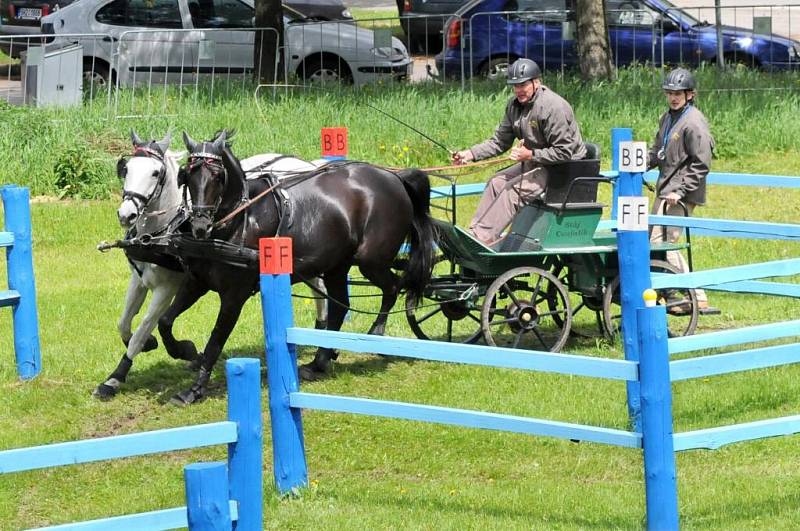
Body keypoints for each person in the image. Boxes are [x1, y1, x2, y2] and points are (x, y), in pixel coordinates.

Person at [452, 58, 586, 245]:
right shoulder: (514, 106)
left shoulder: (553, 107)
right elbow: (499, 141)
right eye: (514, 85)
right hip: (538, 162)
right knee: (496, 181)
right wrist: (470, 154)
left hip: (564, 169)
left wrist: (530, 155)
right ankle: (475, 234)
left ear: (536, 82)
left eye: (523, 84)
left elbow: (564, 152)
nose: (518, 90)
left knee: (512, 190)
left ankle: (482, 239)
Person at [648, 67, 715, 312]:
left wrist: (682, 191)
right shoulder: (667, 118)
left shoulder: (694, 122)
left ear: (690, 94)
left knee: (663, 241)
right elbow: (658, 150)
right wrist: (638, 163)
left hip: (681, 194)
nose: (673, 97)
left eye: (679, 93)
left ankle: (693, 294)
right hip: (666, 190)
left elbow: (702, 162)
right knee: (654, 240)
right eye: (670, 93)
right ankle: (675, 292)